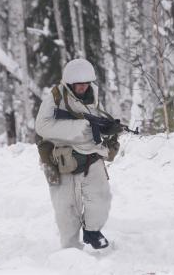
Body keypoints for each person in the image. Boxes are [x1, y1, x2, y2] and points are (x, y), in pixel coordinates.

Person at [35, 58, 119, 249]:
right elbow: (42, 126)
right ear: (70, 83)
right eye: (78, 84)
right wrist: (78, 127)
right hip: (62, 159)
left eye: (85, 84)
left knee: (100, 197)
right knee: (66, 209)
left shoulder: (93, 97)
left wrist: (108, 128)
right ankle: (70, 251)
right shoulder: (55, 98)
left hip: (91, 153)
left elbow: (94, 121)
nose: (82, 88)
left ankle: (92, 231)